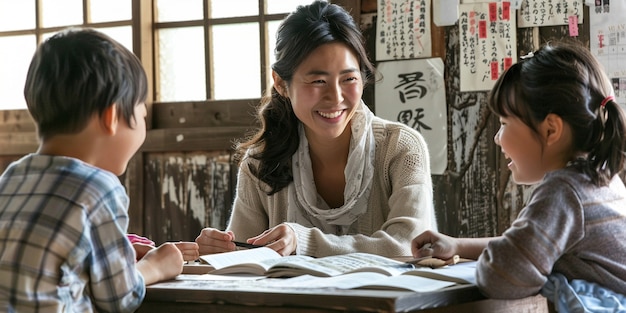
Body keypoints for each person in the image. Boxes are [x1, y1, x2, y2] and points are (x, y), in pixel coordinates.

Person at [196, 0, 437, 258]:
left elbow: (410, 244)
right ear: (281, 84)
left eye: (349, 79)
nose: (335, 97)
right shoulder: (259, 163)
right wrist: (220, 250)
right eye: (318, 81)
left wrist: (305, 241)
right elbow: (244, 257)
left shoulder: (401, 148)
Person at [411, 40, 626, 303]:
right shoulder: (601, 179)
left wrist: (495, 264)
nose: (497, 139)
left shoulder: (563, 192)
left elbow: (502, 278)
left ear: (551, 130)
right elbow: (526, 245)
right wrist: (457, 245)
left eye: (504, 123)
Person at [0, 28, 197, 312]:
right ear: (112, 117)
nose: (143, 124)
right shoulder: (99, 188)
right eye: (142, 114)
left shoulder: (13, 176)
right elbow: (119, 297)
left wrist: (122, 254)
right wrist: (155, 266)